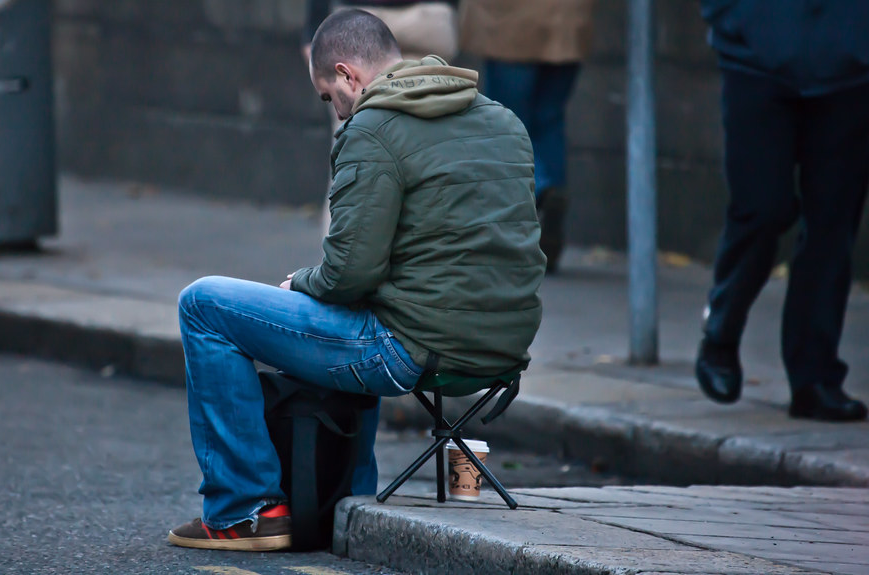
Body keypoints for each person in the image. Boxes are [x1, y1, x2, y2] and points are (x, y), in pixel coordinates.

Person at [168, 9, 545, 551]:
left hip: (414, 349)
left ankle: (242, 510)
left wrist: (298, 283)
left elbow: (349, 274)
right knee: (357, 305)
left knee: (202, 304)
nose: (335, 109)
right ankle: (350, 491)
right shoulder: (501, 120)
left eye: (328, 96)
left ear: (347, 75)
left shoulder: (373, 127)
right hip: (503, 348)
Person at [694, 0, 869, 422]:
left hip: (851, 67)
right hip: (755, 59)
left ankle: (815, 378)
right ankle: (721, 330)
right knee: (761, 209)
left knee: (833, 223)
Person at [459, 0, 595, 273]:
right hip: (568, 18)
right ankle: (551, 191)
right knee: (550, 117)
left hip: (512, 20)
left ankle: (542, 187)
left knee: (508, 121)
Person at [303, 0, 460, 235]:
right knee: (428, 154)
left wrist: (313, 28)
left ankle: (339, 257)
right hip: (428, 17)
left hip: (354, 19)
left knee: (350, 163)